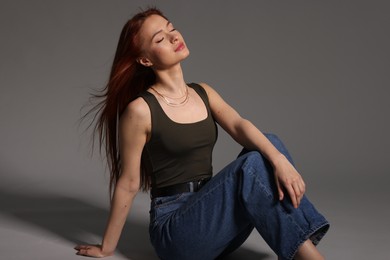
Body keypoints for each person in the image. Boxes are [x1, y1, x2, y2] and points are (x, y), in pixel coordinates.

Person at [75, 7, 329, 260]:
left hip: (215, 224)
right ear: (145, 60)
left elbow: (239, 126)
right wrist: (107, 247)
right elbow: (128, 183)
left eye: (171, 28)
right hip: (176, 232)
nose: (174, 37)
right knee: (251, 165)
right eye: (160, 39)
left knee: (268, 143)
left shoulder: (203, 92)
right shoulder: (140, 110)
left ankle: (301, 245)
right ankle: (309, 255)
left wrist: (279, 159)